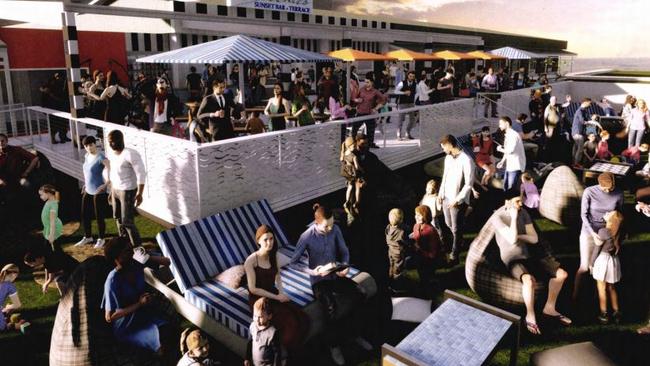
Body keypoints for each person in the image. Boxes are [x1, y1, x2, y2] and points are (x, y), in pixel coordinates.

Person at [289, 204, 372, 366]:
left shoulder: (335, 230)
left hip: (336, 274)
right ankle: (334, 346)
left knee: (360, 292)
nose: (330, 228)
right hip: (319, 281)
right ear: (316, 223)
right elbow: (293, 263)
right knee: (331, 309)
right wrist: (314, 271)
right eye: (327, 226)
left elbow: (344, 250)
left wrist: (346, 266)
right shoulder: (306, 236)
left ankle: (355, 334)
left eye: (332, 224)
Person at [492, 197, 572, 335]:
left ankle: (549, 308)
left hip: (529, 254)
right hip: (512, 257)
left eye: (521, 200)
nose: (521, 204)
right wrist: (514, 217)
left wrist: (518, 235)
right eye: (517, 201)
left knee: (562, 274)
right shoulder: (497, 216)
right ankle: (530, 315)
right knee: (528, 281)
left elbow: (534, 239)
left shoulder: (524, 213)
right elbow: (511, 240)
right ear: (507, 201)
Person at [244, 225, 309, 351]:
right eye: (265, 240)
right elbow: (252, 289)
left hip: (272, 293)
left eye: (271, 239)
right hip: (258, 300)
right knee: (288, 323)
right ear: (258, 241)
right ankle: (285, 354)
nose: (269, 243)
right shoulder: (251, 261)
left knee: (302, 317)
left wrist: (281, 292)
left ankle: (298, 350)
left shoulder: (274, 256)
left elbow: (278, 276)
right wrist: (277, 297)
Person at [101, 237, 167, 353]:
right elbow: (109, 317)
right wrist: (139, 304)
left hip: (144, 316)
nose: (132, 252)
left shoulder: (135, 265)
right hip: (127, 326)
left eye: (132, 249)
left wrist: (147, 257)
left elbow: (167, 262)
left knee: (169, 330)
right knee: (159, 344)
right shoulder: (112, 280)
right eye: (127, 251)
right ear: (117, 257)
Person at [573, 172, 624, 301]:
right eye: (604, 188)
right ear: (599, 184)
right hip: (589, 231)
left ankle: (597, 296)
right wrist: (593, 234)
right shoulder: (589, 192)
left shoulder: (618, 193)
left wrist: (616, 239)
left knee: (600, 267)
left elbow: (619, 216)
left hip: (607, 232)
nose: (607, 190)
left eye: (610, 188)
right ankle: (575, 295)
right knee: (585, 267)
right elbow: (583, 215)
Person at [106, 129, 146, 248]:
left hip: (127, 191)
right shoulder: (111, 153)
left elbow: (141, 173)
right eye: (109, 142)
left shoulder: (130, 153)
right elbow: (113, 172)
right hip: (115, 190)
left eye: (113, 141)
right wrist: (111, 191)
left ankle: (137, 248)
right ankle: (124, 244)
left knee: (127, 222)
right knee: (117, 218)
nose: (110, 144)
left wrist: (140, 193)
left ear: (120, 140)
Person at [438, 135, 474, 264]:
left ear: (449, 145)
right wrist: (440, 194)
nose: (443, 150)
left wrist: (458, 199)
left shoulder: (466, 160)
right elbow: (445, 177)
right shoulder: (448, 158)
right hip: (446, 197)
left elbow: (469, 183)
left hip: (457, 201)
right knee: (449, 224)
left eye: (444, 147)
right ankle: (459, 240)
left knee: (456, 228)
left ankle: (455, 254)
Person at [75, 136, 110, 249]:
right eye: (86, 146)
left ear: (95, 144)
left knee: (99, 216)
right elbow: (87, 172)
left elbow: (110, 168)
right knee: (84, 214)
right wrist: (85, 184)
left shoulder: (100, 157)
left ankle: (101, 239)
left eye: (91, 145)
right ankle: (88, 237)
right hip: (88, 189)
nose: (89, 147)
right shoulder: (86, 155)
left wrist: (105, 184)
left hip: (98, 191)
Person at [0, 133, 39, 230]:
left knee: (28, 187)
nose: (1, 143)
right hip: (4, 181)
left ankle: (31, 218)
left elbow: (34, 158)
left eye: (2, 140)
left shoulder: (16, 150)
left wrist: (26, 172)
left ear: (7, 141)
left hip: (18, 178)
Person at [591, 211, 623, 325]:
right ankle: (616, 312)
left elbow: (596, 249)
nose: (607, 213)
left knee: (601, 288)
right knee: (612, 287)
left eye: (609, 214)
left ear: (611, 220)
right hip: (613, 261)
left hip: (602, 261)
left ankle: (604, 314)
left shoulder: (603, 232)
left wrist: (592, 263)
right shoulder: (620, 233)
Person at [244, 297, 285, 366]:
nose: (257, 319)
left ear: (269, 316)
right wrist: (247, 358)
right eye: (255, 316)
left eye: (260, 317)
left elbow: (277, 353)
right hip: (254, 363)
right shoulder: (253, 326)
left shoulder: (272, 333)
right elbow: (250, 342)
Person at [410, 205, 443, 289]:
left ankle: (429, 283)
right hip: (419, 256)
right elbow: (415, 237)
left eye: (419, 215)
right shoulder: (416, 226)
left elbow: (432, 253)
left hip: (429, 259)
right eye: (415, 214)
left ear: (425, 216)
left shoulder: (430, 230)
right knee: (420, 271)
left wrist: (419, 249)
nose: (416, 217)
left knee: (426, 277)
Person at [352, 76, 386, 148]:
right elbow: (354, 98)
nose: (366, 84)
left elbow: (384, 99)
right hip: (360, 112)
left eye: (368, 82)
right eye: (365, 82)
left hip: (369, 113)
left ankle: (370, 143)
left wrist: (376, 108)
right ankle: (353, 143)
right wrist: (357, 100)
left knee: (370, 130)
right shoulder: (361, 89)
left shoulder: (375, 91)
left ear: (372, 83)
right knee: (354, 128)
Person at [496, 117, 526, 193]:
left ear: (507, 123)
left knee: (510, 188)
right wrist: (502, 161)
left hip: (516, 165)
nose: (499, 126)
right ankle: (507, 200)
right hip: (510, 165)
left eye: (501, 124)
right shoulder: (508, 135)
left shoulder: (513, 135)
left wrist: (500, 149)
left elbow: (510, 151)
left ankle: (511, 201)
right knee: (505, 186)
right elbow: (507, 151)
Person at [385, 208, 408, 287]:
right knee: (398, 268)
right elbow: (404, 241)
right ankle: (397, 284)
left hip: (390, 251)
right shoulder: (401, 231)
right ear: (401, 219)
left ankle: (390, 279)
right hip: (398, 253)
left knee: (391, 265)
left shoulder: (388, 228)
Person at [38, 184, 63, 251]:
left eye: (41, 194)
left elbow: (53, 221)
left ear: (48, 193)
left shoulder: (53, 204)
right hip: (48, 228)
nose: (40, 197)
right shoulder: (49, 202)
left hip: (53, 229)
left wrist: (52, 235)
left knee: (54, 248)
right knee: (50, 247)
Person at [394, 70, 418, 140]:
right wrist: (404, 93)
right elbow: (395, 91)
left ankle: (407, 132)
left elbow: (418, 92)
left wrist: (414, 100)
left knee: (412, 120)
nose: (411, 78)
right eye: (410, 76)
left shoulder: (415, 84)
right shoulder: (402, 83)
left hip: (411, 103)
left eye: (413, 77)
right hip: (402, 103)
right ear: (407, 76)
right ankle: (398, 135)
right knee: (401, 119)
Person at [0, 264, 21, 331]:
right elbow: (17, 304)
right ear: (14, 274)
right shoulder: (10, 286)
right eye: (17, 275)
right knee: (4, 326)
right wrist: (8, 307)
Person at [572, 98, 591, 167]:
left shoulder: (583, 110)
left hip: (575, 132)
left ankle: (574, 163)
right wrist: (590, 122)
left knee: (576, 148)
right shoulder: (579, 111)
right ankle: (576, 163)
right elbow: (582, 121)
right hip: (577, 133)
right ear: (585, 102)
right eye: (589, 103)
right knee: (580, 149)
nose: (590, 104)